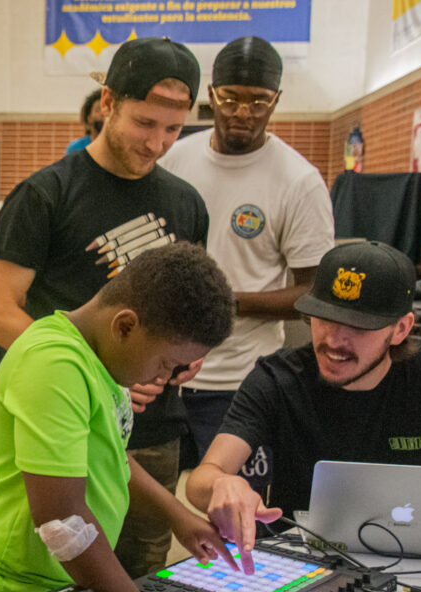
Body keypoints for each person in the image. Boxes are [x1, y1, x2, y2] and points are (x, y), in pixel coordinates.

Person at [0, 37, 208, 579]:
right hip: (67, 420)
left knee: (144, 576)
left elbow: (190, 311)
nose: (157, 143)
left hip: (152, 428)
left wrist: (181, 362)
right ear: (107, 103)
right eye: (144, 123)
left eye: (173, 130)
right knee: (57, 574)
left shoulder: (186, 203)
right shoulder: (45, 195)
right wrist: (95, 379)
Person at [0, 243, 237, 592]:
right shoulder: (55, 364)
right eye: (166, 362)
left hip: (51, 580)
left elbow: (111, 456)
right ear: (125, 326)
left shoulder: (101, 359)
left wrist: (178, 516)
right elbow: (62, 521)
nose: (167, 377)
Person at [184, 241, 421, 573]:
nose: (333, 340)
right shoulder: (276, 379)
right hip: (305, 567)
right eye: (324, 318)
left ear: (400, 329)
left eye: (358, 326)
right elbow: (200, 480)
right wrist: (222, 485)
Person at [160, 36, 335, 477]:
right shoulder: (174, 161)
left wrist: (220, 300)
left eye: (258, 101)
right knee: (145, 520)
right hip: (159, 376)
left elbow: (314, 292)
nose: (243, 112)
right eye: (231, 98)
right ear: (211, 95)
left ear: (276, 101)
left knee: (238, 528)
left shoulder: (298, 181)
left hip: (241, 384)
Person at [65, 88, 104, 155]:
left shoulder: (116, 148)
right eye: (98, 110)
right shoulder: (75, 148)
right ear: (89, 117)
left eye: (105, 109)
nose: (103, 113)